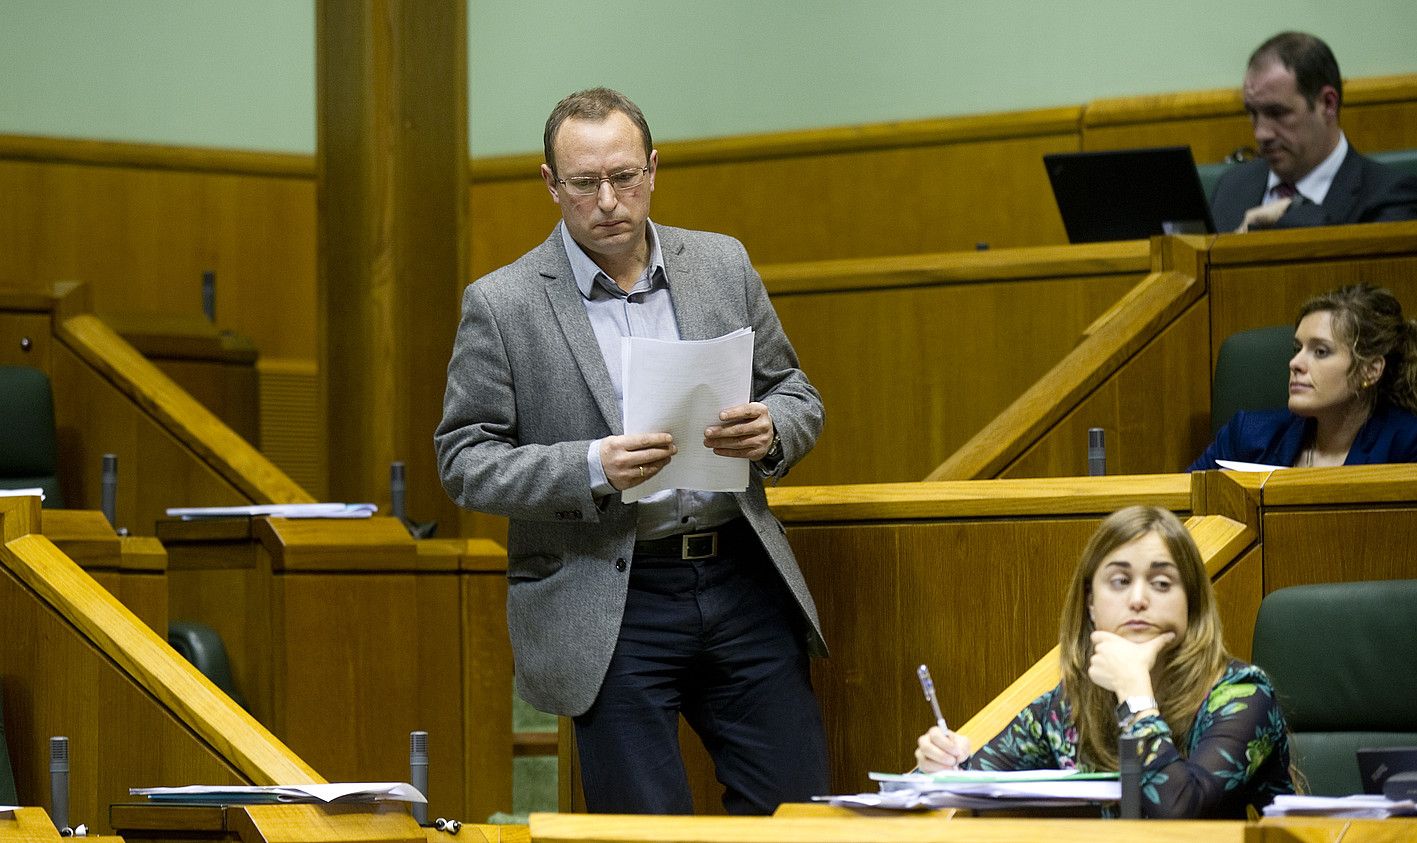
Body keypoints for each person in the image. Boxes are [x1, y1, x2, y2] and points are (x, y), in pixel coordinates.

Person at [435, 87, 829, 815]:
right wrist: (591, 466)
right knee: (644, 829)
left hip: (737, 575)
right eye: (584, 183)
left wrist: (770, 429)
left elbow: (796, 392)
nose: (608, 199)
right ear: (550, 185)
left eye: (623, 176)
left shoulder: (720, 264)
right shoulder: (503, 303)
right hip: (608, 594)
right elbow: (463, 457)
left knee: (797, 813)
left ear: (653, 169)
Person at [914, 506, 1293, 819]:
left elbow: (1181, 813)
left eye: (1162, 583)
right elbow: (975, 784)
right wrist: (943, 767)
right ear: (1092, 604)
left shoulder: (1243, 693)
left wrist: (1135, 696)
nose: (1139, 599)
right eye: (1119, 581)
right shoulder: (1068, 707)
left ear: (1191, 604)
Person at [1190, 284, 1417, 470]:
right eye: (1297, 348)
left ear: (1371, 370)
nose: (1295, 363)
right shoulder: (1246, 435)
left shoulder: (1406, 446)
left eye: (1320, 352)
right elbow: (1178, 514)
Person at [1210, 32, 1417, 233]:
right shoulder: (1231, 188)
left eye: (1277, 113)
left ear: (1328, 104)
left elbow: (1356, 262)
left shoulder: (1391, 196)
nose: (1261, 134)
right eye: (1253, 113)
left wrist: (1292, 211)